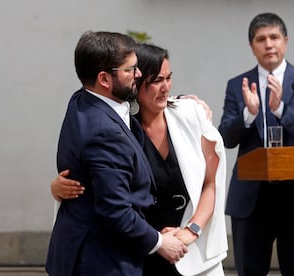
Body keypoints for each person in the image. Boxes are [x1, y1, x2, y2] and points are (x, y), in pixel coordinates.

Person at [51, 43, 228, 276]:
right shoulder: (120, 126)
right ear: (136, 82)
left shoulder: (190, 114)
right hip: (137, 250)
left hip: (188, 249)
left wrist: (191, 231)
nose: (165, 87)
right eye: (156, 80)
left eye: (169, 78)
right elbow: (101, 187)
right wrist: (57, 188)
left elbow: (211, 182)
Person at [218, 13, 294, 276]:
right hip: (252, 196)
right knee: (250, 270)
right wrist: (250, 113)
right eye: (261, 39)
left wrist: (280, 107)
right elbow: (226, 137)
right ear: (252, 45)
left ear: (285, 41)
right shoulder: (238, 85)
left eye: (274, 37)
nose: (268, 44)